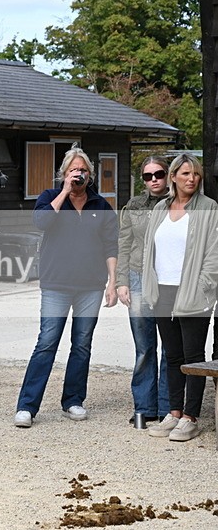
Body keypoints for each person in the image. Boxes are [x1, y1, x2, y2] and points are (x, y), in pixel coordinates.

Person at [14, 145, 118, 428]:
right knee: (47, 343)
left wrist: (112, 282)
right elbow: (42, 222)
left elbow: (111, 246)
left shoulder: (101, 205)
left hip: (91, 286)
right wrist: (63, 192)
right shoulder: (49, 198)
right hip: (56, 284)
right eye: (74, 170)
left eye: (83, 170)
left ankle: (73, 400)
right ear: (63, 174)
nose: (79, 174)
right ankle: (27, 406)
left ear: (91, 175)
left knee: (82, 345)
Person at [143, 154, 218, 442]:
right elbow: (150, 250)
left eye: (196, 174)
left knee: (193, 356)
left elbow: (213, 252)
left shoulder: (209, 208)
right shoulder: (161, 208)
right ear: (173, 176)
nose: (192, 179)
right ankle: (173, 412)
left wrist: (204, 286)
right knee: (171, 355)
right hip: (163, 290)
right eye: (185, 173)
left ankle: (190, 416)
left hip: (193, 292)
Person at [116, 156, 170, 424]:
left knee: (171, 345)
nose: (154, 180)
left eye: (158, 174)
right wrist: (121, 282)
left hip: (168, 279)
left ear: (167, 175)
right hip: (137, 277)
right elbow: (123, 244)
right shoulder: (133, 206)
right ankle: (145, 406)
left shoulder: (179, 203)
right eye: (148, 176)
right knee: (144, 346)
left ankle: (168, 407)